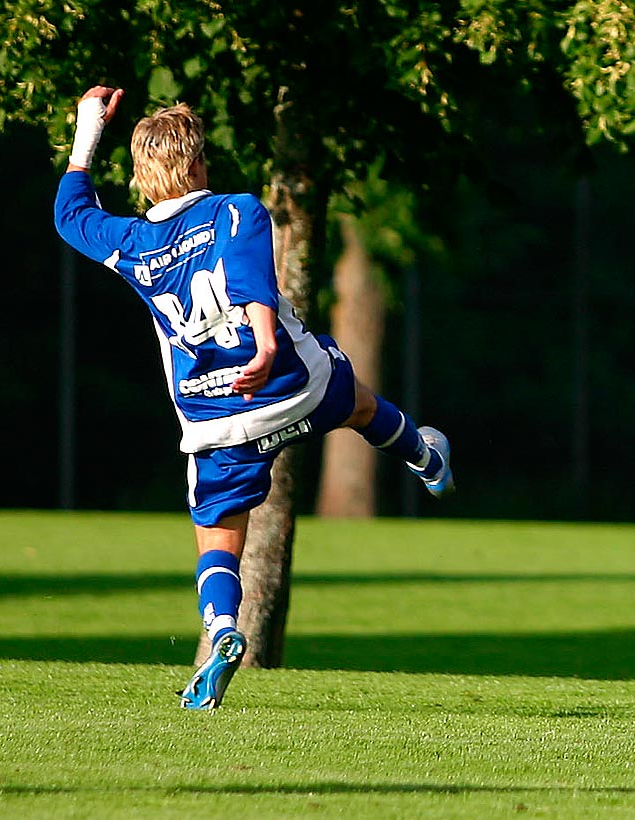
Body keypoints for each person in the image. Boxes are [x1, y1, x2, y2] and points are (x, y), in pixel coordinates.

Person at [53, 87, 455, 710]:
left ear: (140, 179)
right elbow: (251, 283)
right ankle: (425, 457)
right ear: (200, 165)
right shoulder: (238, 210)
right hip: (288, 386)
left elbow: (69, 215)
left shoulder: (129, 244)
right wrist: (265, 348)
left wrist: (86, 135)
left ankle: (220, 630)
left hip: (214, 419)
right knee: (356, 402)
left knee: (218, 533)